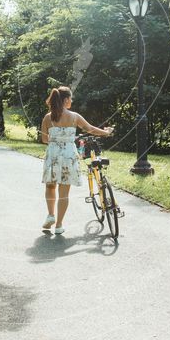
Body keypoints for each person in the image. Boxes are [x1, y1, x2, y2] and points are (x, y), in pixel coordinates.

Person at [40, 85, 113, 235]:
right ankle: (59, 225)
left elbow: (44, 139)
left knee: (50, 186)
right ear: (66, 100)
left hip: (53, 153)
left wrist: (56, 140)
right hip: (69, 154)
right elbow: (90, 129)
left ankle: (50, 215)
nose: (71, 101)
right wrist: (106, 132)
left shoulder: (48, 117)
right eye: (71, 98)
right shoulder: (74, 116)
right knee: (64, 192)